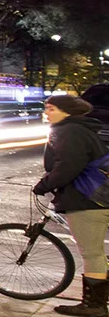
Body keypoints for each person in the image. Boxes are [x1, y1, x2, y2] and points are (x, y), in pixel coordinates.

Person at [36, 93, 107, 316]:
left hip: (87, 199)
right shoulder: (83, 128)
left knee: (92, 253)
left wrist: (44, 185)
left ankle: (94, 305)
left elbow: (68, 166)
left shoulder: (70, 131)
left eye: (51, 108)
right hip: (97, 195)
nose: (47, 113)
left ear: (67, 111)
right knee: (96, 252)